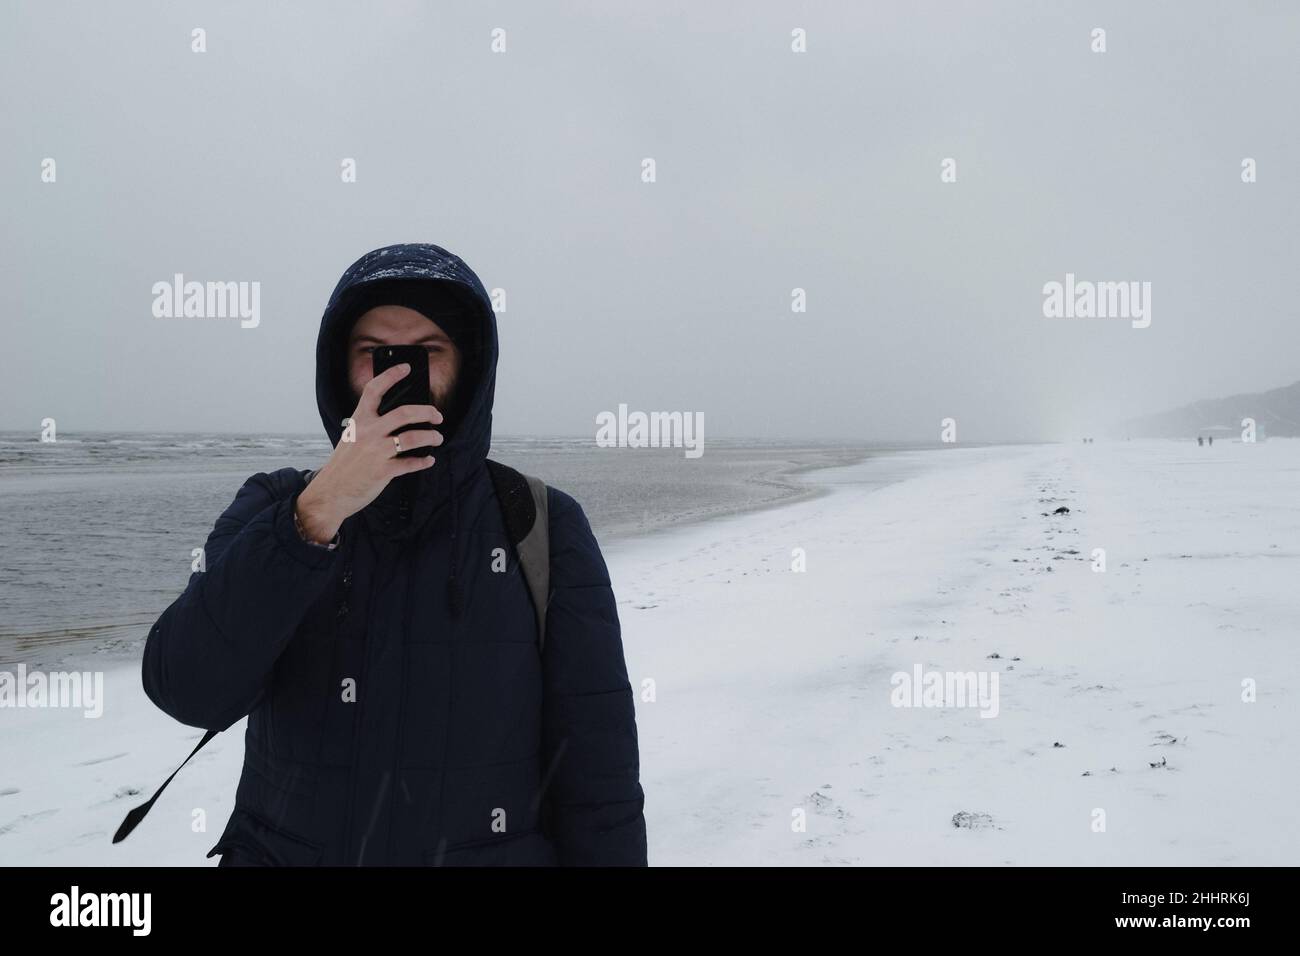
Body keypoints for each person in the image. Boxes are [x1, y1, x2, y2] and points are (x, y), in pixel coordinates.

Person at [141, 242, 648, 866]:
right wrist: (315, 515)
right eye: (373, 354)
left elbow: (599, 772)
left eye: (427, 352)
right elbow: (187, 690)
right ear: (338, 370)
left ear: (470, 368)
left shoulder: (540, 522)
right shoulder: (277, 506)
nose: (398, 374)